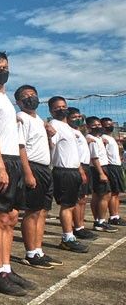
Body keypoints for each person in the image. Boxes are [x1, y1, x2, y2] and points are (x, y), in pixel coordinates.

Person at [0, 52, 35, 295]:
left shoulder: (6, 100)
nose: (2, 71)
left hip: (13, 161)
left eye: (5, 66)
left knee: (12, 217)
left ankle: (7, 268)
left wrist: (20, 169)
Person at [14, 85, 62, 269]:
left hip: (45, 168)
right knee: (32, 211)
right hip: (32, 167)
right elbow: (21, 147)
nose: (30, 98)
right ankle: (30, 252)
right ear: (18, 102)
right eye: (25, 96)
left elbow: (48, 146)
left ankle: (38, 249)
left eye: (33, 95)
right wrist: (27, 173)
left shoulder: (40, 120)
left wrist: (50, 134)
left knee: (43, 211)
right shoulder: (21, 118)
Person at [47, 97, 89, 253]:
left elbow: (73, 154)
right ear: (51, 110)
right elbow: (51, 143)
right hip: (62, 171)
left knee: (72, 204)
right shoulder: (54, 125)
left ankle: (72, 234)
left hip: (74, 171)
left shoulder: (68, 128)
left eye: (63, 106)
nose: (61, 109)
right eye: (57, 107)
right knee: (66, 206)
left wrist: (80, 171)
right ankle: (67, 238)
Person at [68, 107, 96, 240]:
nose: (78, 119)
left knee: (83, 199)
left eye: (79, 117)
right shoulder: (70, 132)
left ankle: (81, 225)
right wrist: (80, 170)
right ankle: (77, 227)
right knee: (77, 199)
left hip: (85, 166)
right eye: (74, 117)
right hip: (78, 166)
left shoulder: (79, 132)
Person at [85, 117, 117, 233]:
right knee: (104, 195)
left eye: (99, 124)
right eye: (95, 125)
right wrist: (101, 173)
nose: (98, 127)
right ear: (88, 127)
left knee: (99, 195)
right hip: (98, 168)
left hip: (103, 167)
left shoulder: (98, 138)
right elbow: (94, 158)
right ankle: (100, 221)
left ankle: (99, 220)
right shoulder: (91, 139)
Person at [101, 117, 125, 226]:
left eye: (111, 124)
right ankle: (113, 216)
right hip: (111, 167)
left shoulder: (111, 138)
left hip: (117, 166)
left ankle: (116, 215)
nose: (109, 127)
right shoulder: (103, 138)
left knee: (117, 193)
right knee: (113, 193)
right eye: (107, 125)